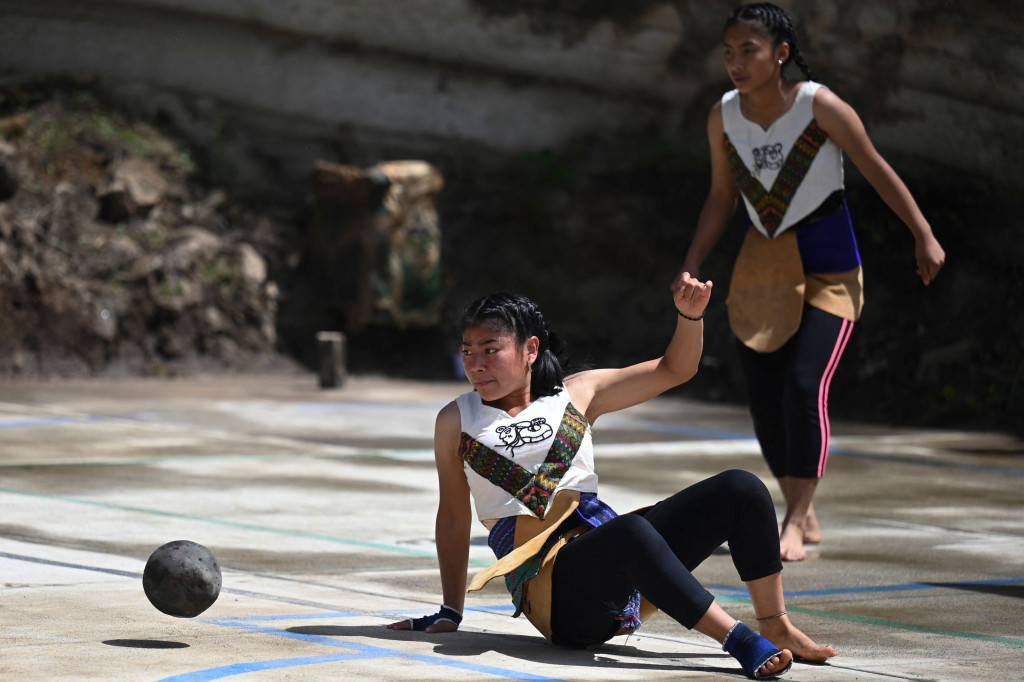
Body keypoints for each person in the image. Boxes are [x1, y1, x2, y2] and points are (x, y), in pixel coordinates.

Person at [387, 279, 837, 679]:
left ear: (530, 349)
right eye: (467, 351)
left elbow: (674, 369)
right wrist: (451, 610)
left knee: (742, 489)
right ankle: (736, 639)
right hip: (558, 599)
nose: (476, 363)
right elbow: (451, 516)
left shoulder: (578, 391)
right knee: (630, 531)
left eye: (490, 349)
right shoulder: (456, 419)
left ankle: (775, 623)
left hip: (612, 557)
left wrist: (690, 316)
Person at [674, 3, 945, 561]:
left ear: (781, 54)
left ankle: (795, 519)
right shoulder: (723, 115)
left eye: (748, 50)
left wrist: (922, 233)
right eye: (728, 52)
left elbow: (874, 166)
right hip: (761, 274)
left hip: (832, 274)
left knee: (804, 384)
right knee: (764, 400)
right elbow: (722, 196)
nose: (736, 63)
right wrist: (694, 259)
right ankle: (801, 503)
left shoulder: (819, 105)